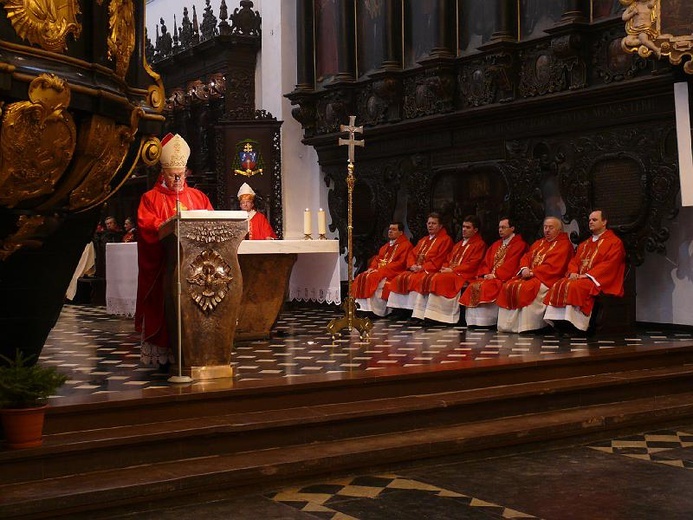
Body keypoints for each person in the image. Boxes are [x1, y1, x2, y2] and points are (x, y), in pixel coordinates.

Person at [135, 133, 213, 368]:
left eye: (181, 173)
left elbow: (210, 223)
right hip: (165, 269)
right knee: (165, 304)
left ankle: (195, 348)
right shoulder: (150, 198)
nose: (177, 178)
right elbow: (145, 225)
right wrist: (165, 224)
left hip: (196, 272)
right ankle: (164, 352)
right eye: (172, 174)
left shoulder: (198, 197)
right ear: (163, 173)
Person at [544, 209, 626, 331]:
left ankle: (576, 326)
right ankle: (559, 323)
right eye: (589, 220)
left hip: (599, 280)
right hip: (580, 278)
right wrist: (573, 272)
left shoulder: (614, 242)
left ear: (604, 222)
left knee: (574, 287)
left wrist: (587, 275)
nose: (590, 222)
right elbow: (574, 261)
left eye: (594, 220)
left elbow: (610, 264)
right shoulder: (585, 244)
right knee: (559, 284)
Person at [496, 217, 574, 333]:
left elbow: (554, 266)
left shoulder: (564, 245)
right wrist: (524, 268)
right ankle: (507, 326)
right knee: (508, 285)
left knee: (525, 288)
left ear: (559, 230)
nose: (547, 230)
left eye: (551, 228)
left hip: (548, 278)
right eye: (545, 227)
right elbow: (526, 257)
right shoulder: (539, 242)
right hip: (530, 276)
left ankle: (528, 326)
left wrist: (533, 272)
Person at [410, 215, 486, 324]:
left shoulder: (479, 244)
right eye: (463, 227)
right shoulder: (458, 245)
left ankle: (438, 316)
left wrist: (453, 270)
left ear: (475, 230)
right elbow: (447, 259)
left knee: (437, 279)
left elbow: (473, 264)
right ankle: (420, 314)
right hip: (450, 273)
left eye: (468, 227)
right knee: (430, 277)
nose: (464, 229)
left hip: (464, 275)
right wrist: (444, 267)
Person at [459, 217, 527, 328]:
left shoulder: (519, 245)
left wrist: (495, 275)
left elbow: (512, 264)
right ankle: (474, 321)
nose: (500, 230)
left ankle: (487, 321)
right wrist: (486, 273)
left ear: (512, 228)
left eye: (503, 227)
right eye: (499, 227)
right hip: (490, 276)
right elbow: (486, 262)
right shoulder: (496, 245)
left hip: (503, 278)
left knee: (487, 287)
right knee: (474, 285)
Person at [385, 213, 453, 312]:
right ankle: (399, 310)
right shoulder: (423, 240)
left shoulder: (445, 240)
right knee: (399, 278)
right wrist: (412, 265)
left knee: (417, 280)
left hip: (430, 270)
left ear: (440, 226)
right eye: (429, 223)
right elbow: (412, 254)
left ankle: (417, 311)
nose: (430, 225)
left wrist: (423, 268)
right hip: (416, 269)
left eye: (433, 223)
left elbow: (440, 258)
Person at [353, 222, 413, 317]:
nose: (390, 231)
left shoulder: (406, 245)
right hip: (381, 271)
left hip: (394, 273)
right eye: (390, 229)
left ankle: (375, 310)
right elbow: (377, 259)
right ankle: (361, 308)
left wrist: (382, 270)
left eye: (394, 229)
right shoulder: (386, 246)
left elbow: (401, 263)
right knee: (363, 276)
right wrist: (372, 268)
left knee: (373, 278)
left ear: (401, 232)